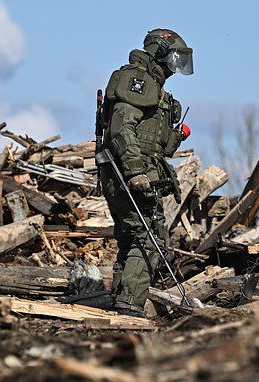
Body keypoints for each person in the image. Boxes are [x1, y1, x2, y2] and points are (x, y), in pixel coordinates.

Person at [97, 29, 193, 317]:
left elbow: (157, 145)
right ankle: (129, 305)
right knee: (149, 239)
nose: (177, 65)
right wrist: (135, 172)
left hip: (135, 172)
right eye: (174, 57)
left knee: (132, 238)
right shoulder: (138, 81)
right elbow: (121, 129)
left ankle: (120, 301)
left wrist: (176, 136)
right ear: (160, 53)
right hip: (128, 174)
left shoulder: (154, 87)